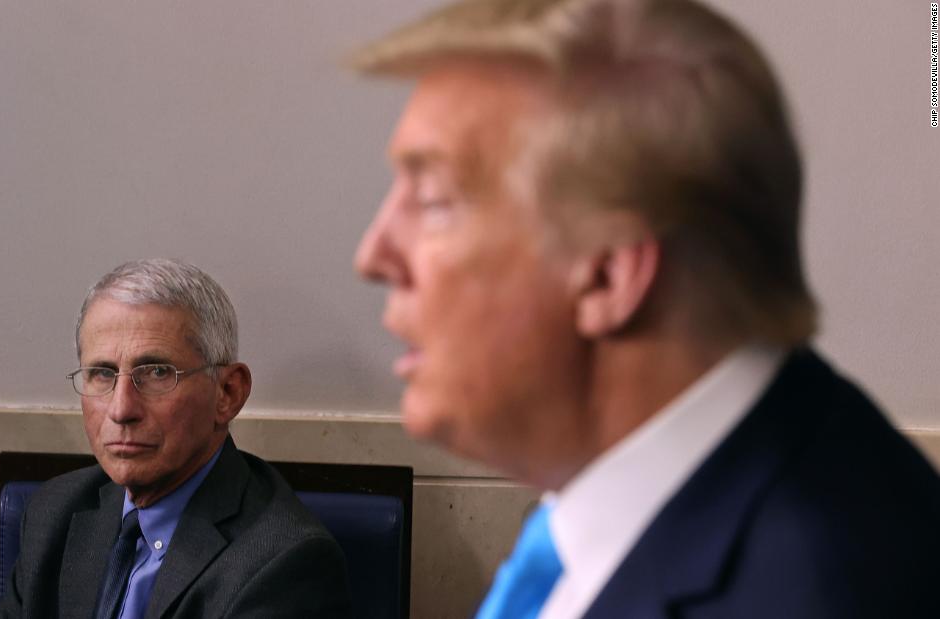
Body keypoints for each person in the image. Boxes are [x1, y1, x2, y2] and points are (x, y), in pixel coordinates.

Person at [351, 0, 940, 617]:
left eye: (433, 200)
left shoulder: (814, 593)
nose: (373, 256)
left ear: (608, 273)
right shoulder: (636, 499)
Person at [0, 259, 350, 619]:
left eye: (157, 372)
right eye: (102, 373)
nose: (121, 409)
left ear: (227, 393)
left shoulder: (282, 563)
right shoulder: (52, 513)